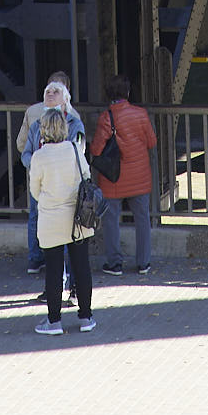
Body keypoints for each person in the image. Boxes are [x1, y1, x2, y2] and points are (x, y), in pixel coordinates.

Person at [28, 106, 97, 333]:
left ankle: (54, 320)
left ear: (45, 130)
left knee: (54, 271)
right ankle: (86, 317)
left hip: (51, 218)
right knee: (82, 267)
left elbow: (35, 190)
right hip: (77, 217)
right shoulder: (74, 150)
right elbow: (86, 175)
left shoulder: (39, 157)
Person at [18, 74, 87, 278]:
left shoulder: (75, 124)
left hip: (67, 185)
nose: (50, 94)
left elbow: (79, 151)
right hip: (43, 184)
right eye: (47, 91)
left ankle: (70, 281)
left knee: (67, 230)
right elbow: (26, 152)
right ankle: (49, 272)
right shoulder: (36, 126)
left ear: (65, 100)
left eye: (55, 91)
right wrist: (38, 165)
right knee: (44, 227)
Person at [95, 75, 158, 273]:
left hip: (113, 179)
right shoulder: (141, 114)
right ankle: (143, 262)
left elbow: (97, 150)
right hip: (139, 177)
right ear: (128, 93)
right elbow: (151, 142)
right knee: (142, 219)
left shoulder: (107, 118)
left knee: (111, 221)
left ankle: (114, 263)